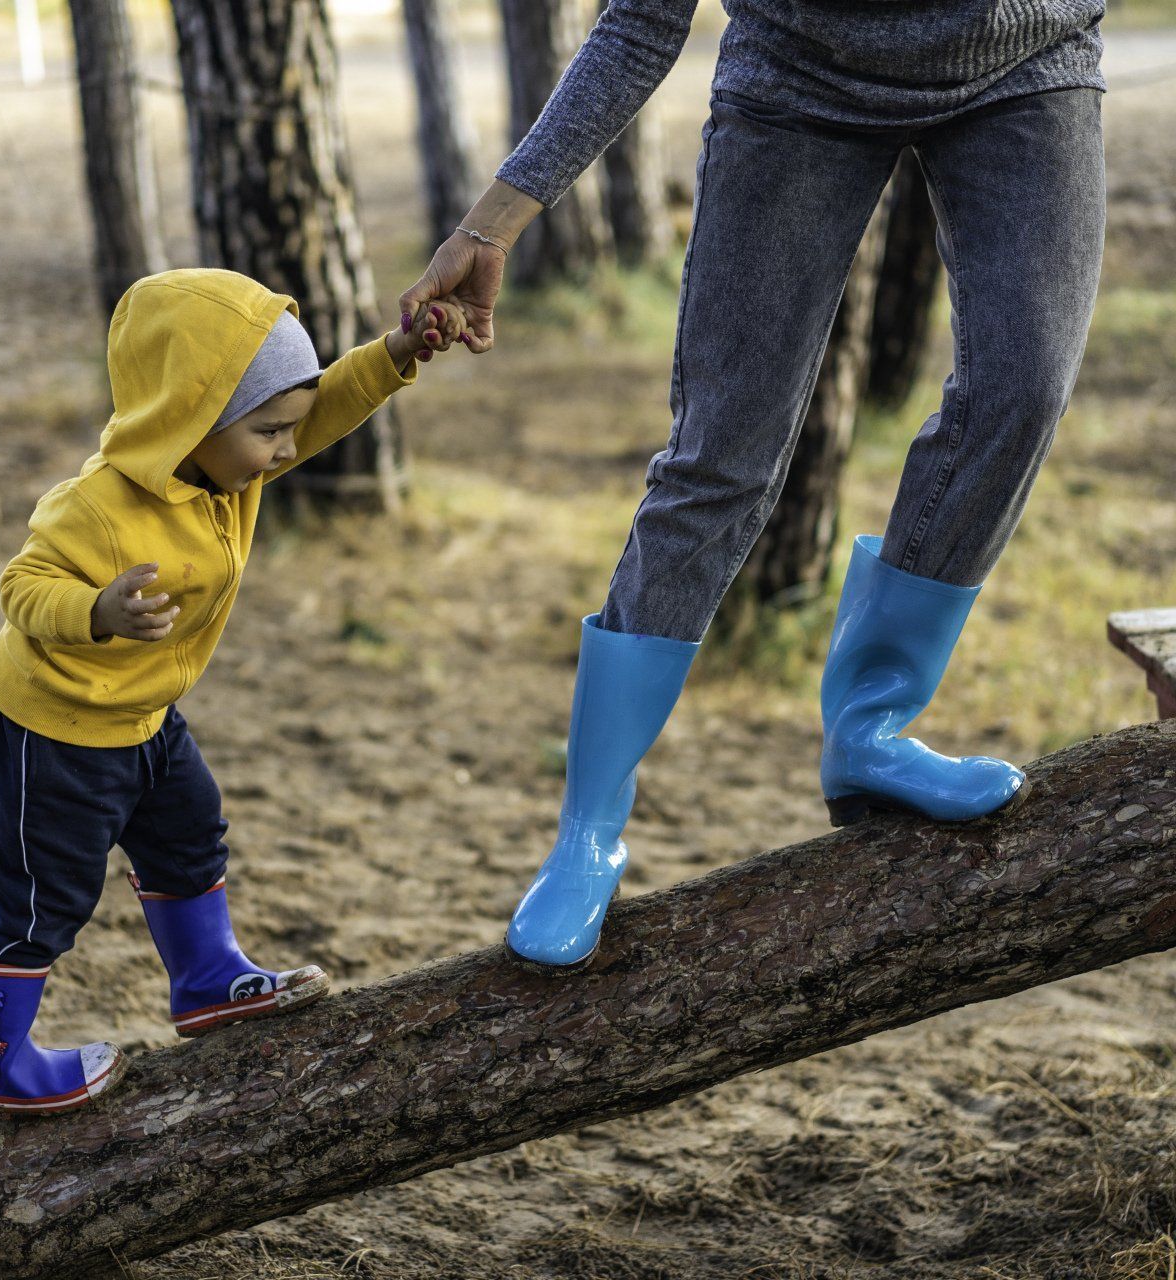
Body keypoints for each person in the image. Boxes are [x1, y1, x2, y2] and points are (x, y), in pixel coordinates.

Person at [399, 0, 1107, 971]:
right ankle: (587, 830)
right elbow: (641, 20)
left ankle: (869, 725)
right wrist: (498, 218)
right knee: (718, 458)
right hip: (798, 76)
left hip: (1026, 56)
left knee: (1020, 392)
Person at [0, 267, 467, 1116]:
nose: (287, 450)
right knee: (46, 899)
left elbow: (321, 409)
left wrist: (398, 352)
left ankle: (207, 980)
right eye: (269, 432)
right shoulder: (99, 506)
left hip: (146, 718)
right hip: (54, 731)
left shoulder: (233, 465)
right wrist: (97, 610)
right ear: (191, 419)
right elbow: (20, 585)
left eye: (286, 430)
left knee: (190, 834)